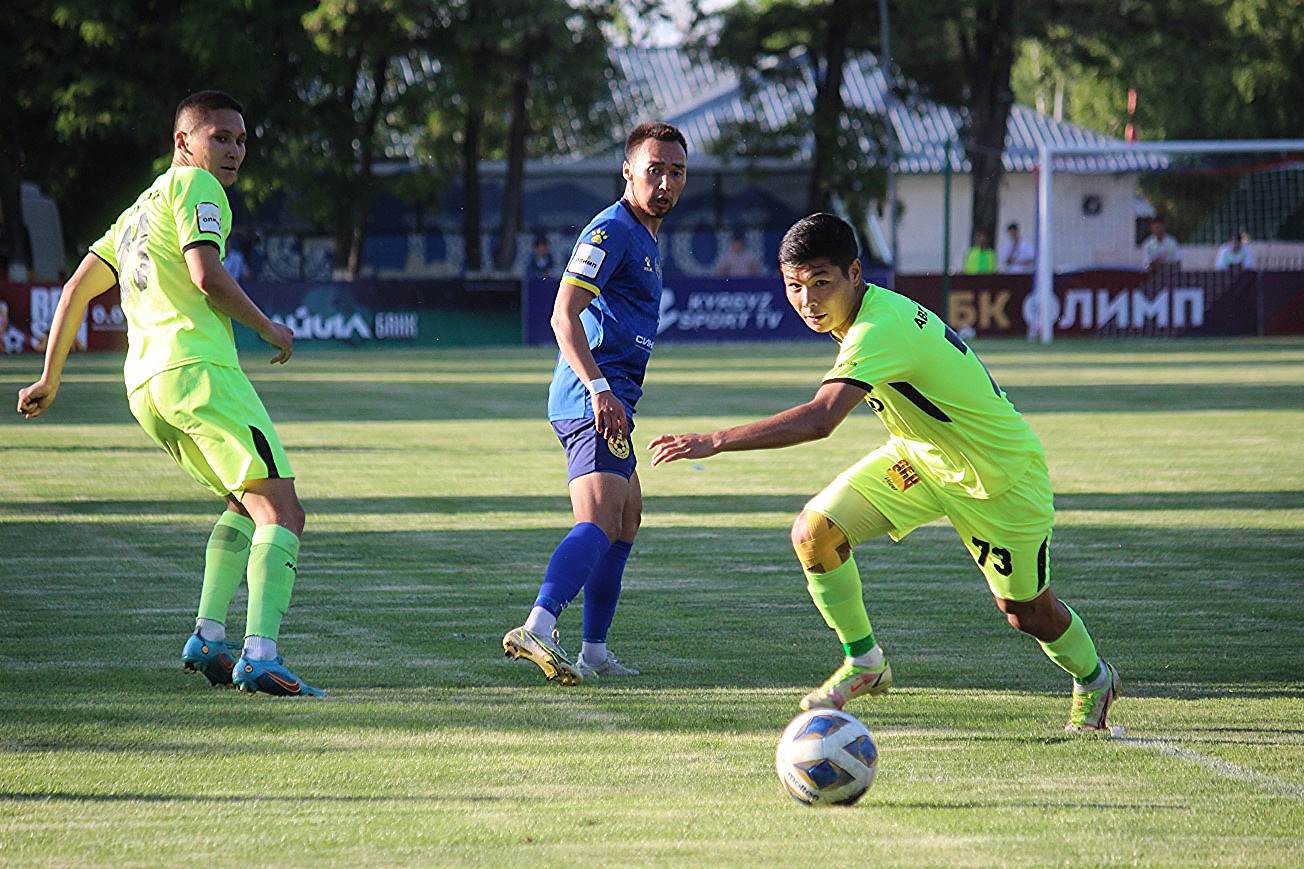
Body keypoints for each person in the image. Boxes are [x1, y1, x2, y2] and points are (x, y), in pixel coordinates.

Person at [648, 213, 1121, 734]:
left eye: (821, 283)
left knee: (1026, 612)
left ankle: (1095, 678)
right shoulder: (863, 316)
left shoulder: (879, 328)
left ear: (854, 273)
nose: (808, 300)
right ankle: (865, 662)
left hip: (998, 477)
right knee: (815, 533)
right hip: (919, 459)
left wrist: (714, 441)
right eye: (794, 286)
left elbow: (821, 419)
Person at [16, 90, 324, 697]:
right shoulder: (198, 186)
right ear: (184, 142)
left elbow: (75, 290)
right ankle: (261, 655)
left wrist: (51, 378)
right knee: (284, 511)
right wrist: (268, 328)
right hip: (198, 370)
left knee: (244, 503)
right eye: (220, 137)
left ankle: (208, 637)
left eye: (241, 140)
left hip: (146, 387)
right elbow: (206, 275)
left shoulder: (138, 210)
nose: (234, 150)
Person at [502, 122, 688, 684]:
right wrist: (599, 388)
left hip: (613, 399)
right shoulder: (611, 230)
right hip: (592, 399)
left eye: (676, 172)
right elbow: (563, 315)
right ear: (627, 171)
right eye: (654, 170)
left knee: (625, 520)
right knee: (602, 520)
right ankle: (538, 625)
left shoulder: (645, 237)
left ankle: (595, 652)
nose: (665, 182)